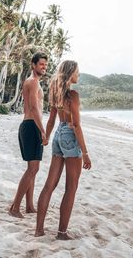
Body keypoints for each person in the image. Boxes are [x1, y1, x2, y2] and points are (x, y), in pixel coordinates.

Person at [35, 60, 92, 240]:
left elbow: (51, 120)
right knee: (71, 188)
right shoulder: (73, 95)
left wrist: (47, 136)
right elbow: (76, 125)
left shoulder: (56, 92)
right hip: (69, 135)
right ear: (70, 73)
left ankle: (39, 230)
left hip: (58, 134)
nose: (79, 74)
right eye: (77, 71)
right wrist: (85, 153)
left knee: (49, 185)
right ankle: (61, 233)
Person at [9, 52, 48, 218]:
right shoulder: (32, 82)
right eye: (41, 64)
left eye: (45, 65)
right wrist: (43, 131)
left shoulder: (35, 82)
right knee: (33, 168)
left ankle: (29, 206)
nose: (44, 67)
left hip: (30, 125)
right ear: (33, 65)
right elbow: (33, 108)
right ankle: (14, 207)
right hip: (31, 126)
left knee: (32, 169)